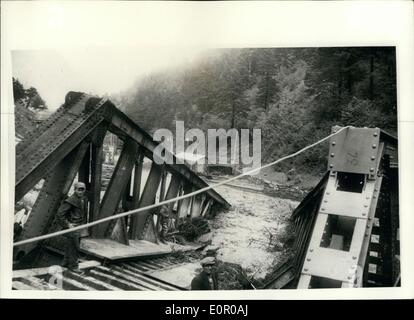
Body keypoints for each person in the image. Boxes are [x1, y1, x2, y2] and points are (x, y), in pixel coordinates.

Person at [56, 182, 87, 273]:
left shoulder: (83, 199)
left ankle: (65, 263)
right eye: (79, 189)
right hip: (73, 227)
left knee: (71, 245)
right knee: (74, 247)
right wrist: (68, 225)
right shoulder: (71, 200)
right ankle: (73, 266)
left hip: (79, 227)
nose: (81, 192)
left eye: (82, 190)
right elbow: (60, 214)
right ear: (75, 190)